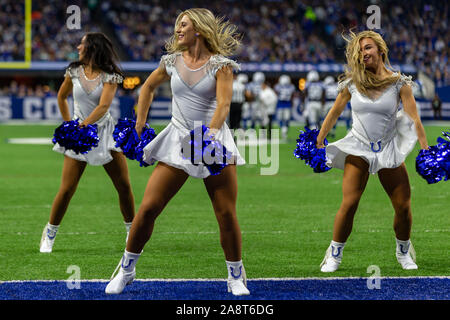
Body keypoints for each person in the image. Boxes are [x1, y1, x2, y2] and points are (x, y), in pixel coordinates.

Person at [105, 8, 250, 296]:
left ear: (199, 28)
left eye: (183, 25)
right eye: (177, 25)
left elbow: (223, 105)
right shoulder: (170, 62)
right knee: (147, 209)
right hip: (177, 139)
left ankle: (235, 275)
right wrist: (139, 124)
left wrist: (209, 137)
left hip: (212, 139)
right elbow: (145, 89)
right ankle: (126, 269)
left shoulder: (220, 65)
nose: (177, 30)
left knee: (225, 213)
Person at [316, 30, 429, 272]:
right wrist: (319, 140)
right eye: (359, 50)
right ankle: (334, 253)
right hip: (358, 147)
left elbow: (414, 119)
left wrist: (425, 149)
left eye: (367, 48)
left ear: (380, 50)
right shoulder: (351, 83)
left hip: (388, 148)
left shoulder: (400, 83)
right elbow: (334, 113)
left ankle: (403, 251)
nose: (363, 53)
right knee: (350, 202)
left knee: (403, 206)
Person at [40, 33, 135, 253]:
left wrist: (82, 126)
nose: (78, 46)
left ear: (92, 47)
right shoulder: (73, 71)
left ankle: (132, 231)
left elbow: (103, 107)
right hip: (79, 135)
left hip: (105, 134)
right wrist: (69, 125)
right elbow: (61, 97)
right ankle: (50, 233)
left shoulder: (110, 76)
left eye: (82, 44)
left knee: (124, 186)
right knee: (67, 189)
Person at [274, 74, 296, 141]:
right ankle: (284, 130)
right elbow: (292, 96)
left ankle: (283, 130)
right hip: (287, 105)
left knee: (281, 120)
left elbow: (276, 94)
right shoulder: (291, 87)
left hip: (280, 105)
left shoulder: (277, 86)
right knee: (286, 120)